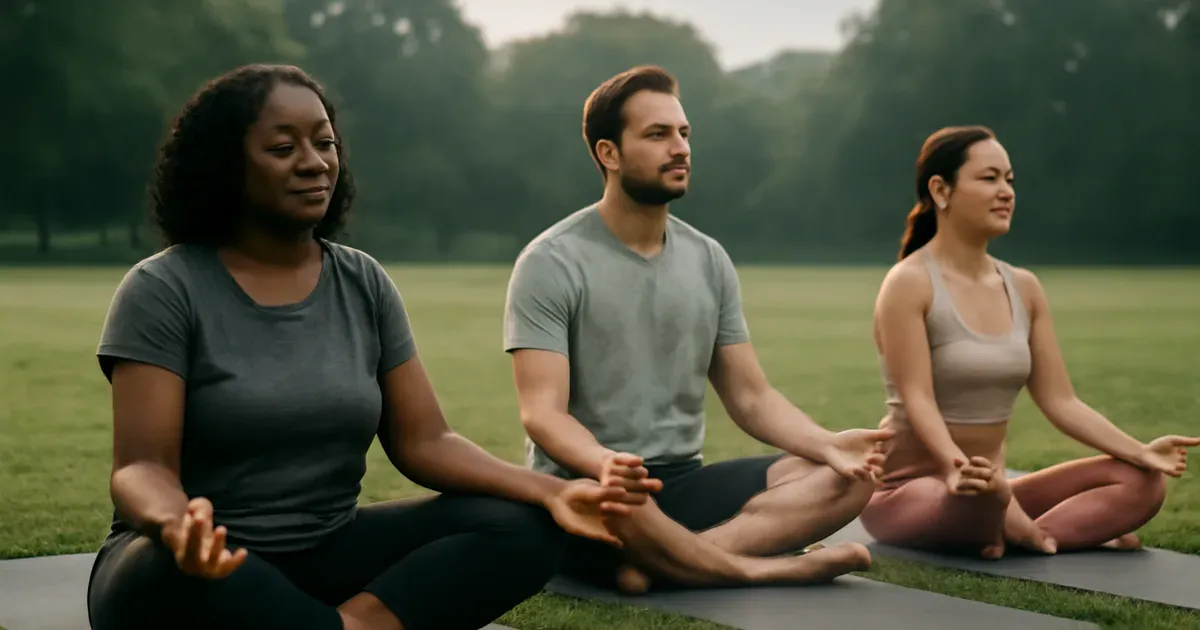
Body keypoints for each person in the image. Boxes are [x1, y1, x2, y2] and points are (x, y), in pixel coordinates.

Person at [85, 63, 653, 630]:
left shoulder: (362, 280)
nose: (314, 162)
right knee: (166, 573)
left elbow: (425, 441)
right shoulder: (164, 288)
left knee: (523, 525)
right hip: (201, 563)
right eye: (283, 147)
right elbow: (140, 467)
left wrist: (551, 492)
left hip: (330, 553)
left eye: (324, 142)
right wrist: (178, 524)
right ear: (227, 166)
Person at [501, 64, 891, 595]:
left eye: (684, 133)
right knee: (622, 505)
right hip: (596, 486)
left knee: (850, 477)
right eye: (657, 134)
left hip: (683, 481)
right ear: (608, 153)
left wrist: (828, 445)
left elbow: (751, 396)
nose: (680, 148)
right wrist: (606, 464)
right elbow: (542, 413)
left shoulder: (709, 259)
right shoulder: (550, 261)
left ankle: (672, 563)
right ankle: (760, 565)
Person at [860, 124, 1199, 559]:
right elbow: (917, 398)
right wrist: (954, 467)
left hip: (992, 488)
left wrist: (1141, 452)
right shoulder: (908, 283)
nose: (1006, 191)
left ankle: (1015, 531)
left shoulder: (1024, 287)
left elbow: (1061, 401)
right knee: (983, 498)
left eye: (1009, 179)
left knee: (1141, 484)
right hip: (911, 491)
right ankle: (1030, 529)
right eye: (989, 178)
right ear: (941, 190)